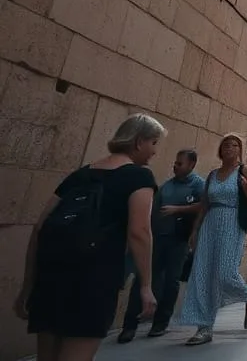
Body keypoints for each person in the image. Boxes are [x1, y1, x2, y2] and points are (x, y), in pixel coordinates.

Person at [16, 114, 164, 361]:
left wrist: (28, 286)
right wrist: (146, 286)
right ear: (139, 142)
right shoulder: (139, 177)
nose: (155, 152)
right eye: (154, 143)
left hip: (51, 277)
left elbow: (40, 228)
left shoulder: (80, 175)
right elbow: (139, 232)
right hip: (93, 280)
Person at [179, 133, 247, 345]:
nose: (230, 148)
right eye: (226, 145)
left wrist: (246, 187)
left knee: (225, 272)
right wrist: (195, 230)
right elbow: (205, 203)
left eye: (235, 145)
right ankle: (204, 328)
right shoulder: (213, 174)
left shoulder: (244, 171)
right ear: (220, 150)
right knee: (203, 274)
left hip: (232, 222)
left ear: (240, 150)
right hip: (210, 224)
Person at [119, 148, 205, 342]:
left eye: (180, 163)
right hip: (158, 238)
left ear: (191, 165)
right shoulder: (167, 186)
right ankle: (129, 324)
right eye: (175, 162)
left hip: (179, 239)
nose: (175, 166)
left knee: (171, 282)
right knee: (144, 279)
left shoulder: (199, 185)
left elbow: (205, 205)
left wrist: (178, 210)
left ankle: (160, 323)